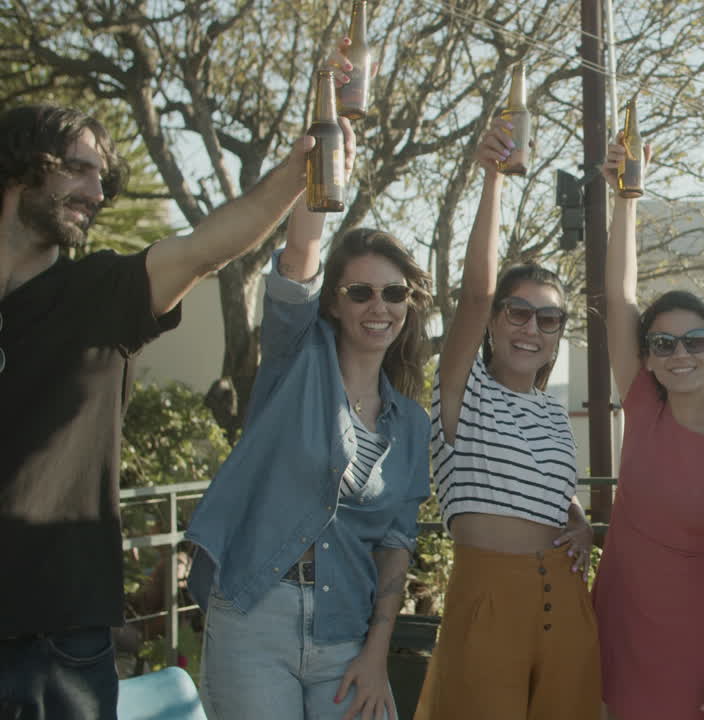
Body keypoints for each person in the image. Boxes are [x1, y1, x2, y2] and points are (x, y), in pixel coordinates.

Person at [0, 97, 333, 717]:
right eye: (78, 168)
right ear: (21, 166)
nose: (97, 190)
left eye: (105, 177)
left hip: (59, 640)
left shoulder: (99, 292)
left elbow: (207, 246)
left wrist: (302, 165)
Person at [185, 177, 434, 719]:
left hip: (344, 630)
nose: (379, 306)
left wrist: (376, 655)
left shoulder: (412, 423)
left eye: (394, 293)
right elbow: (301, 252)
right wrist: (320, 149)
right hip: (254, 615)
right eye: (360, 292)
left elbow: (396, 545)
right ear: (333, 304)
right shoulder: (295, 355)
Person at [412, 118, 600, 720]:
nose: (531, 329)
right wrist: (492, 177)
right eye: (517, 312)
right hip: (484, 601)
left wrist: (579, 521)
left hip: (567, 603)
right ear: (493, 323)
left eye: (549, 321)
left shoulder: (551, 413)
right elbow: (472, 291)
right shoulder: (461, 390)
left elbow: (553, 493)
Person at [591, 136, 704, 720]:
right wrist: (627, 196)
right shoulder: (644, 404)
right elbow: (617, 295)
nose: (681, 353)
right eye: (663, 342)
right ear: (646, 357)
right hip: (616, 620)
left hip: (699, 637)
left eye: (695, 341)